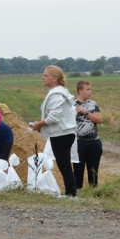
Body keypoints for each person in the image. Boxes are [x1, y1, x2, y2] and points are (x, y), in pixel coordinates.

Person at [29, 65, 78, 197]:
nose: (42, 78)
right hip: (63, 133)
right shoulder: (59, 91)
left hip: (62, 134)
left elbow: (54, 117)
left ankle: (71, 194)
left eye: (45, 75)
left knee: (64, 165)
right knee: (64, 165)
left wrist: (39, 124)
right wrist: (42, 125)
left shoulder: (57, 94)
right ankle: (70, 193)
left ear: (55, 79)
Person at [72, 79, 103, 188]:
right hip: (79, 142)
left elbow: (99, 120)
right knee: (78, 170)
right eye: (87, 89)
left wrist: (85, 112)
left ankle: (93, 191)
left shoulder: (93, 104)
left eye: (90, 89)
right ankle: (77, 192)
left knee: (93, 170)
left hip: (94, 142)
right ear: (80, 91)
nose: (90, 91)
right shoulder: (73, 105)